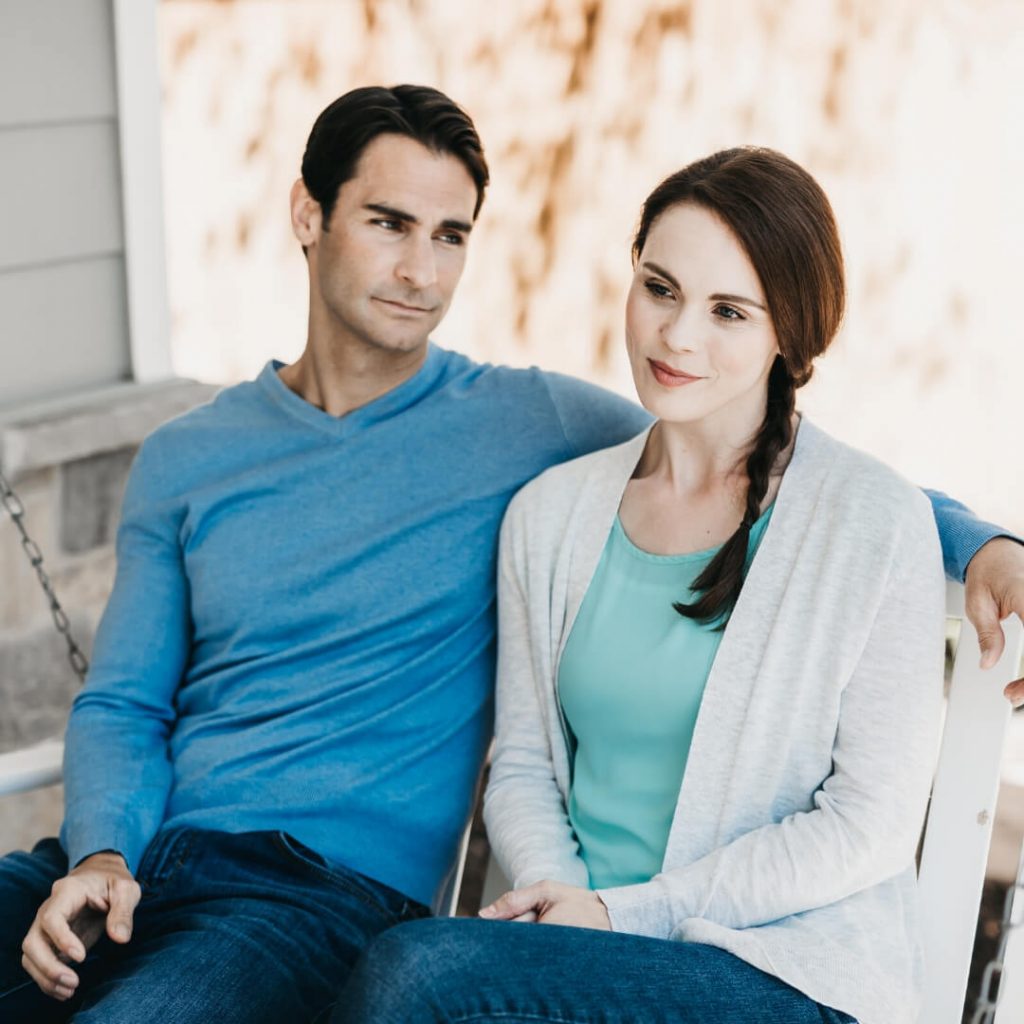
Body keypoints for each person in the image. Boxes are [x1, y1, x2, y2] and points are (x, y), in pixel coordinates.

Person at [0, 86, 1018, 1024]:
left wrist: (981, 541)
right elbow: (125, 702)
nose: (421, 270)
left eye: (450, 235)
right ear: (308, 215)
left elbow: (780, 466)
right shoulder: (198, 458)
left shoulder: (524, 424)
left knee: (369, 982)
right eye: (389, 223)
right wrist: (100, 853)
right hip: (149, 859)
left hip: (320, 894)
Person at [330, 149, 993, 1024]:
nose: (678, 336)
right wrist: (563, 901)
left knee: (416, 978)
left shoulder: (870, 523)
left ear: (787, 332)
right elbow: (524, 764)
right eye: (660, 287)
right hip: (580, 958)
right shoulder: (551, 517)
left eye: (729, 311)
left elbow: (863, 825)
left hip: (786, 974)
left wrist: (624, 914)